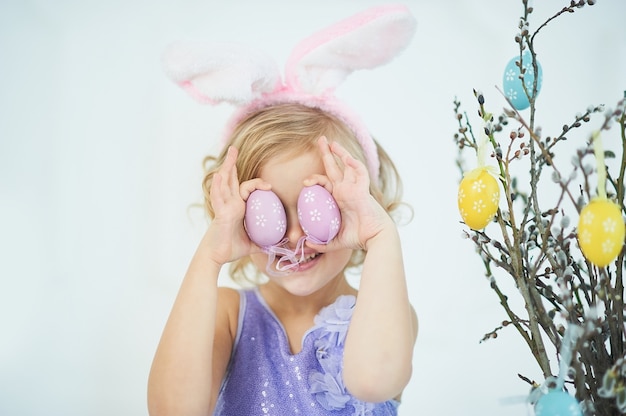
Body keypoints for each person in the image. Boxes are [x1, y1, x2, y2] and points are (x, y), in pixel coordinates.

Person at [148, 5, 418, 416]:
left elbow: (373, 381)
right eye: (267, 211)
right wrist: (210, 256)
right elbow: (173, 410)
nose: (293, 237)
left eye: (317, 206)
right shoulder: (228, 315)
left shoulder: (384, 314)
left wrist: (381, 237)